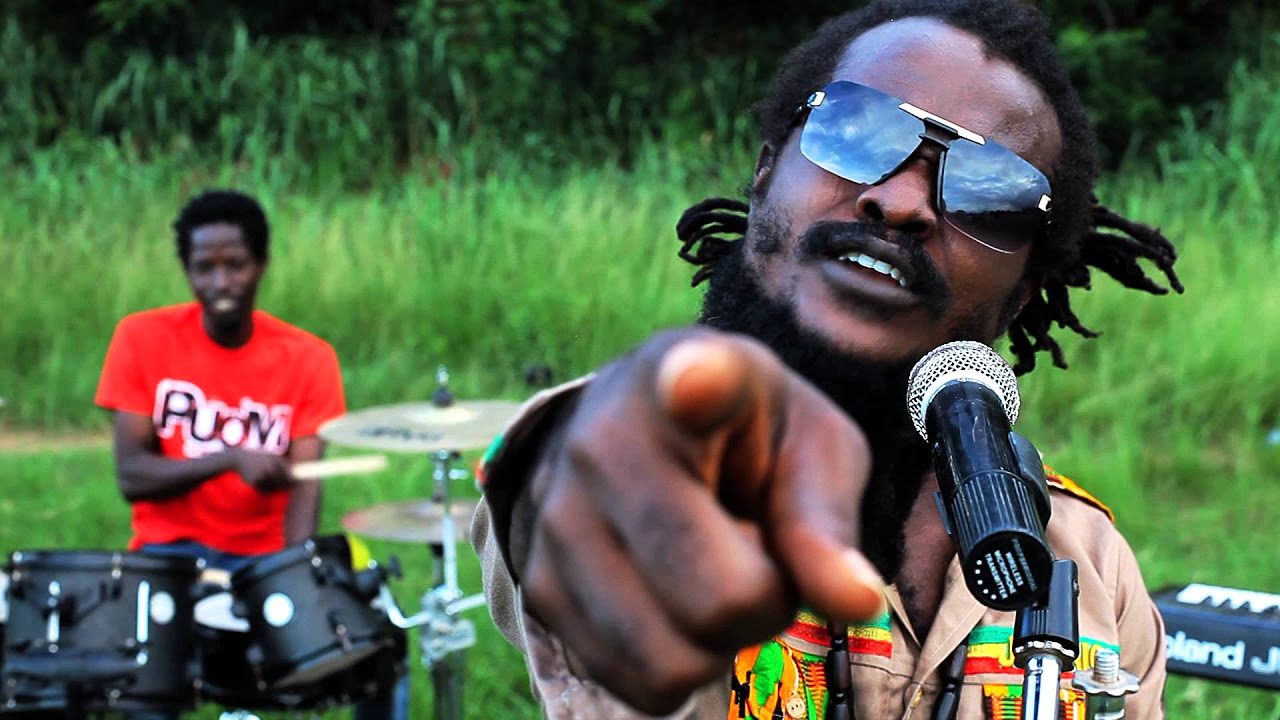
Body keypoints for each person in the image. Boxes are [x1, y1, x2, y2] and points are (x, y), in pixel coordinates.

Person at [469, 1, 1183, 718]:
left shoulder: (1091, 561)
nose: (901, 202)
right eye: (858, 131)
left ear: (1021, 292)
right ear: (765, 173)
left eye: (987, 190)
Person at [95, 190, 406, 719]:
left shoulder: (309, 359)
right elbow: (132, 475)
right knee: (147, 692)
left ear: (261, 264)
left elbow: (306, 485)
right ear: (187, 270)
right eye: (204, 268)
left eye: (235, 265)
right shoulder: (141, 338)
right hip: (168, 557)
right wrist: (229, 458)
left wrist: (297, 575)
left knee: (379, 643)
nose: (220, 283)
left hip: (263, 561)